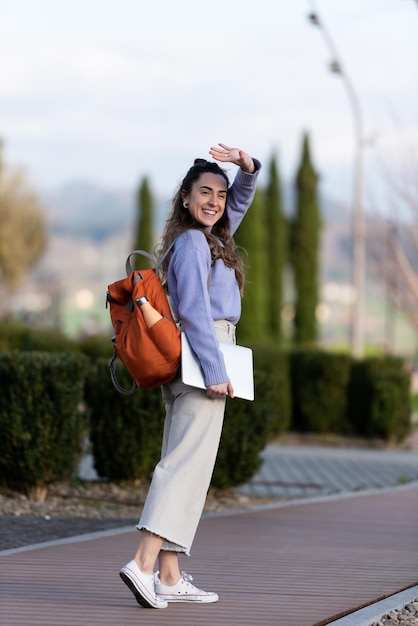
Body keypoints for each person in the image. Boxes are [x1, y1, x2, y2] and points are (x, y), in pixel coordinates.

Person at [119, 143, 261, 609]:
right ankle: (142, 564)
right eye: (205, 192)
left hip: (198, 358)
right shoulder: (195, 244)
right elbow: (197, 312)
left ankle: (169, 574)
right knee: (183, 466)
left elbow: (237, 202)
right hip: (205, 356)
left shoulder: (207, 239)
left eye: (220, 195)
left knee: (187, 462)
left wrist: (247, 169)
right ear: (184, 197)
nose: (216, 201)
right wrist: (216, 370)